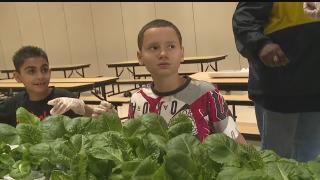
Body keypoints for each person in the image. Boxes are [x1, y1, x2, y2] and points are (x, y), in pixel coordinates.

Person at [126, 19, 246, 144]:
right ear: (140, 57)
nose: (163, 54)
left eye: (171, 46)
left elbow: (235, 140)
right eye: (154, 47)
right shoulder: (137, 99)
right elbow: (133, 142)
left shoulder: (206, 93)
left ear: (182, 53)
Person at [232, 2, 320, 162]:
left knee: (312, 162)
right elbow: (244, 20)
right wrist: (261, 45)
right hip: (280, 90)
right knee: (277, 163)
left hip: (315, 90)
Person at [0, 45, 114, 127]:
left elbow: (90, 117)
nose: (40, 76)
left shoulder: (63, 98)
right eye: (31, 71)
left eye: (44, 70)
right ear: (18, 77)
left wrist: (89, 109)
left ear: (49, 72)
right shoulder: (13, 104)